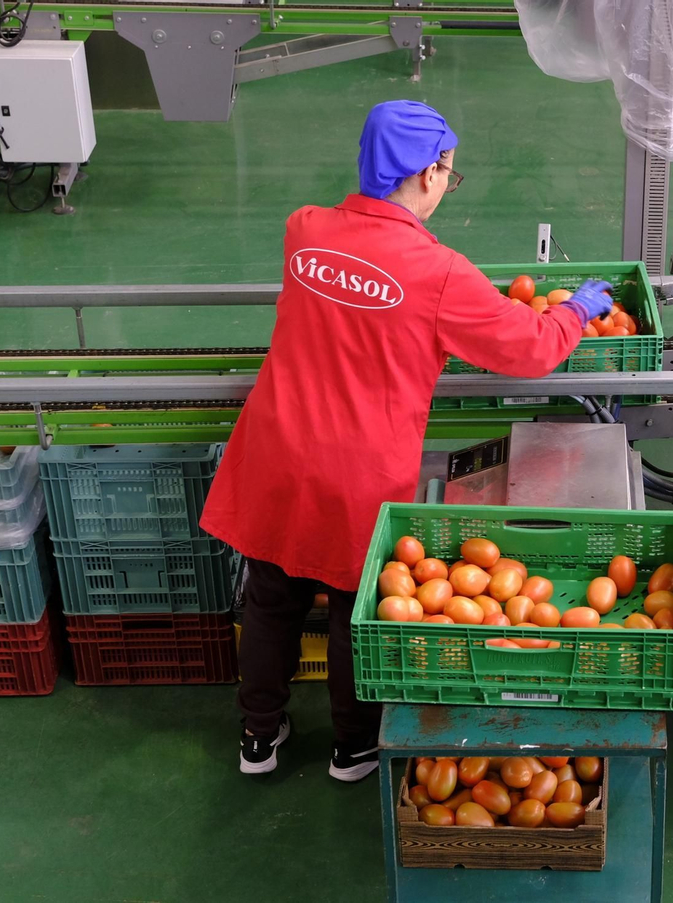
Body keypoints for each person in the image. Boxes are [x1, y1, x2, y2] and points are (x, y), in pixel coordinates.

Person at [199, 100, 614, 781]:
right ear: (426, 174)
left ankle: (257, 736)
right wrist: (575, 311)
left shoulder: (303, 231)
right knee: (353, 614)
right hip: (355, 472)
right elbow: (529, 346)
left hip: (276, 453)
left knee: (270, 600)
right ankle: (353, 746)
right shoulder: (440, 273)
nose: (449, 186)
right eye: (450, 173)